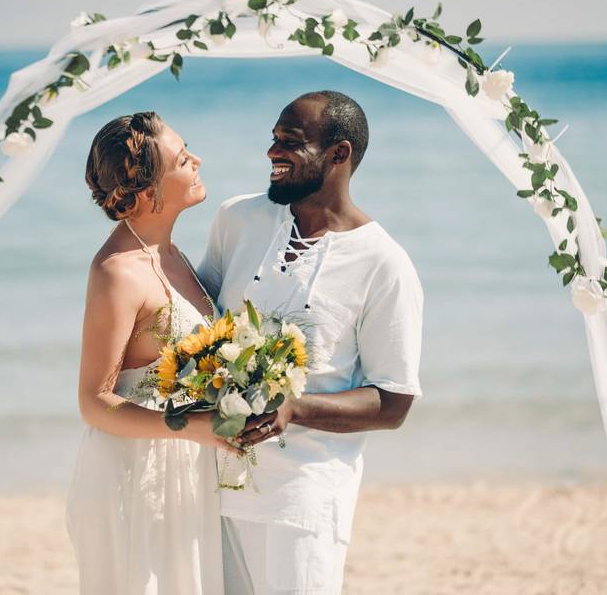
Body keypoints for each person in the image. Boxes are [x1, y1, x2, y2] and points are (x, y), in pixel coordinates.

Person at [197, 91, 425, 594]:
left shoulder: (384, 263)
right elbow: (194, 325)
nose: (272, 153)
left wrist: (295, 410)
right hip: (210, 484)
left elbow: (392, 402)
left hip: (302, 499)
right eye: (274, 138)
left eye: (291, 142)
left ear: (339, 154)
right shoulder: (236, 219)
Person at [66, 111, 235, 594]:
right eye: (183, 159)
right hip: (138, 474)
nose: (197, 161)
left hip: (187, 465)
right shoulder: (117, 272)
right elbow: (93, 401)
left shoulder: (171, 254)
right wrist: (189, 428)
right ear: (146, 193)